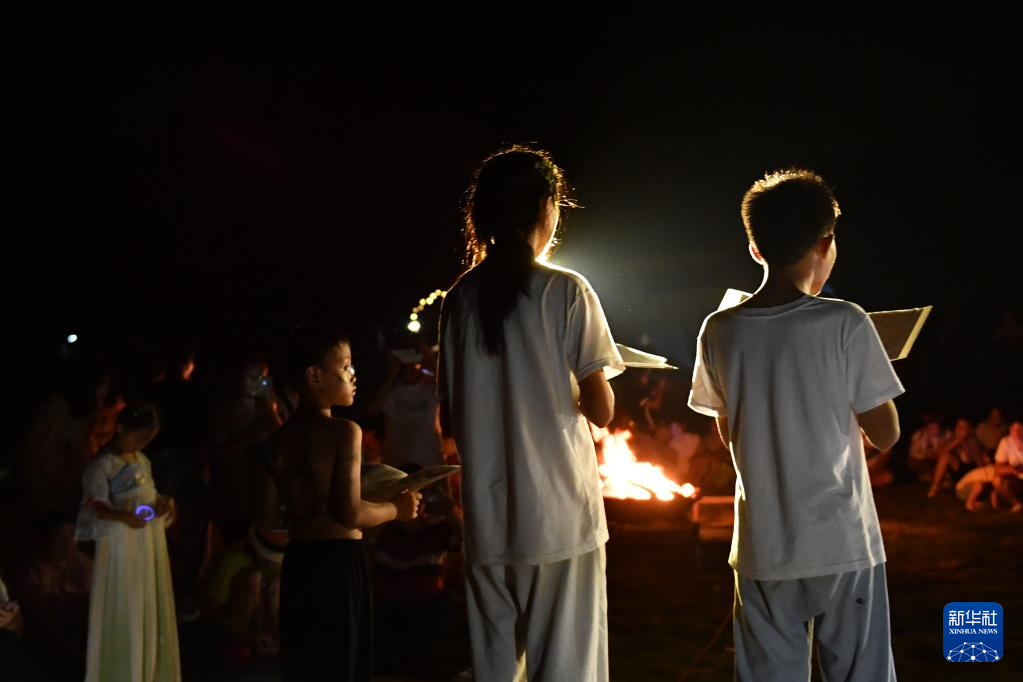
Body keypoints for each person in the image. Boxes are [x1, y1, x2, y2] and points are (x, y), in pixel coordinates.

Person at [688, 168, 903, 681]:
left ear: (755, 249)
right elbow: (887, 433)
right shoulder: (846, 321)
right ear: (826, 243)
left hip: (763, 546)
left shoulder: (719, 329)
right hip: (843, 542)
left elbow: (727, 430)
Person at [439, 145, 623, 681]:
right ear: (546, 206)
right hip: (559, 518)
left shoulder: (458, 300)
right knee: (566, 666)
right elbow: (602, 411)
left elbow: (450, 417)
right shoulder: (566, 291)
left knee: (496, 666)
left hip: (488, 521)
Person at [262, 324, 421, 681]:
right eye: (345, 367)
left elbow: (269, 518)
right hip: (338, 564)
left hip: (299, 563)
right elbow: (348, 512)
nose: (353, 375)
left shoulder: (278, 440)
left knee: (307, 665)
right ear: (315, 376)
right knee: (341, 664)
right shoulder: (345, 431)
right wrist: (396, 509)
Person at [76, 401, 181, 681]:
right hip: (120, 547)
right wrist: (123, 517)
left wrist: (163, 502)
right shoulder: (102, 465)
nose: (141, 444)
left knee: (146, 601)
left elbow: (147, 494)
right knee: (125, 602)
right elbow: (93, 506)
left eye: (147, 440)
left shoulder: (142, 460)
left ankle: (148, 670)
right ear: (121, 428)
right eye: (138, 437)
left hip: (147, 543)